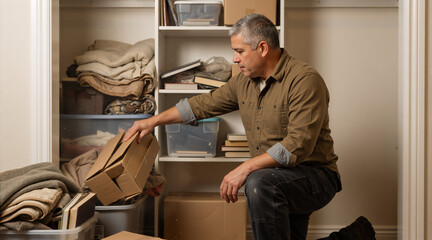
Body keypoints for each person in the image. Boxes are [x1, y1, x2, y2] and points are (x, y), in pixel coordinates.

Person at [124, 14, 342, 240]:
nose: (234, 59)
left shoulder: (304, 80)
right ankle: (356, 234)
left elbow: (297, 146)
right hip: (275, 177)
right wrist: (151, 121)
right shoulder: (243, 82)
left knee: (259, 182)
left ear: (263, 48)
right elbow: (202, 105)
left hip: (315, 176)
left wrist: (246, 168)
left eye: (239, 51)